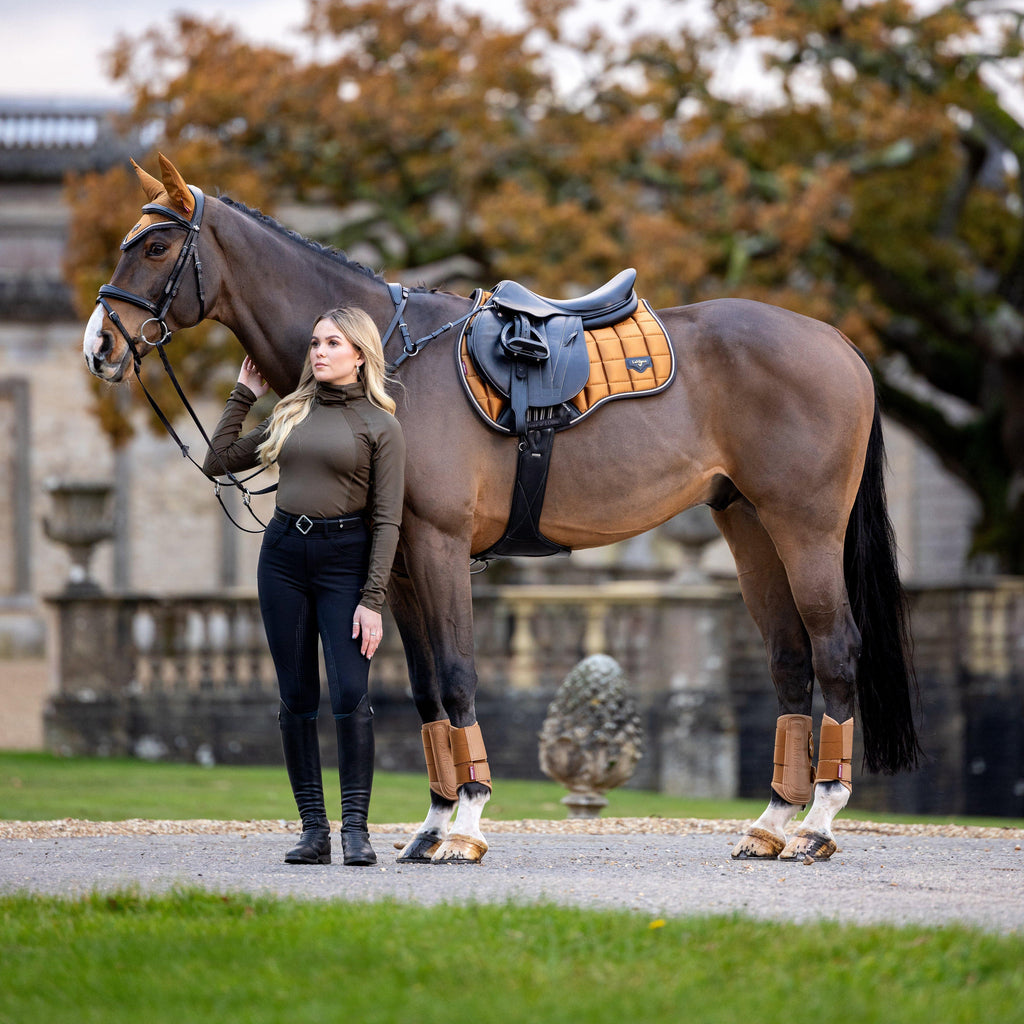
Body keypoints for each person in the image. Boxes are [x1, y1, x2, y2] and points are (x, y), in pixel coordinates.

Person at [203, 307, 405, 867]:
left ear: (359, 355)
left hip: (346, 563)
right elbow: (217, 460)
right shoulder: (291, 413)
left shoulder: (380, 426)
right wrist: (243, 394)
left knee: (349, 696)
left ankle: (356, 832)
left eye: (332, 343)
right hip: (284, 557)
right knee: (295, 698)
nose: (318, 351)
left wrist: (372, 600)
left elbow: (387, 521)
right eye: (315, 342)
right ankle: (314, 831)